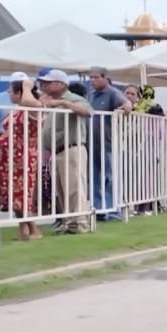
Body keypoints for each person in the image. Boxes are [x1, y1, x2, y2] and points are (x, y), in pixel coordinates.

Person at [37, 69, 96, 233]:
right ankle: (71, 223)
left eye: (47, 83)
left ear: (60, 84)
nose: (43, 86)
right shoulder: (50, 101)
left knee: (75, 188)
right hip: (56, 151)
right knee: (62, 190)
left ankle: (81, 223)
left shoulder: (73, 98)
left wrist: (64, 104)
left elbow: (88, 111)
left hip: (72, 148)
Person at [0, 75, 45, 240]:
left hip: (23, 158)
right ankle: (23, 230)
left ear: (19, 93)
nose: (9, 94)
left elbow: (29, 102)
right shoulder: (18, 110)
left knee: (22, 194)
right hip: (9, 159)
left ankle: (34, 230)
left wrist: (26, 87)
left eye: (11, 91)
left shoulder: (34, 107)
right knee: (12, 194)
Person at [86, 66, 131, 221]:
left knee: (110, 177)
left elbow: (126, 102)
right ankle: (98, 210)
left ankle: (113, 210)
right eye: (90, 77)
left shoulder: (112, 93)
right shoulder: (90, 95)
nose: (92, 80)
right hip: (92, 143)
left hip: (108, 143)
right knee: (94, 177)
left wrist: (127, 105)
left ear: (105, 78)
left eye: (96, 77)